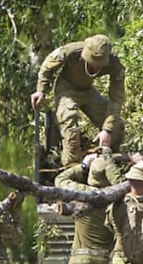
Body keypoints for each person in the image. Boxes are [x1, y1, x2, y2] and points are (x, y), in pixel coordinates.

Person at [30, 34, 126, 166]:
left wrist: (107, 130)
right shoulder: (71, 51)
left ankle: (108, 163)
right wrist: (41, 90)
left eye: (99, 64)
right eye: (92, 62)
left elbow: (117, 98)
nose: (95, 67)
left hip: (88, 91)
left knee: (117, 128)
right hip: (66, 89)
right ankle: (70, 169)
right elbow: (47, 66)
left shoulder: (115, 65)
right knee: (71, 131)